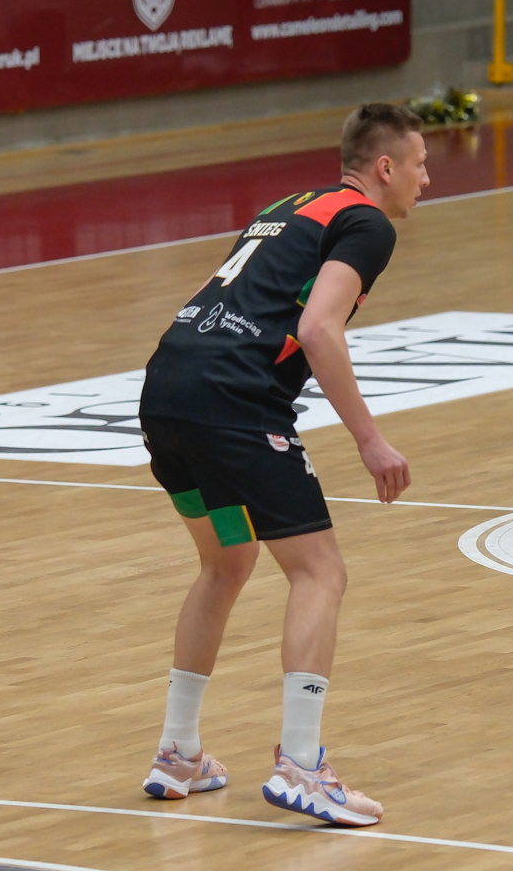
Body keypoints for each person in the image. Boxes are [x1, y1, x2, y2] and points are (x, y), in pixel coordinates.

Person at [137, 103, 425, 826]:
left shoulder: (289, 206)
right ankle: (301, 764)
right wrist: (369, 439)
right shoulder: (367, 223)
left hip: (167, 388)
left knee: (226, 563)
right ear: (385, 167)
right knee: (320, 572)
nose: (426, 179)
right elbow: (318, 328)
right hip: (233, 402)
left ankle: (178, 751)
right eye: (420, 165)